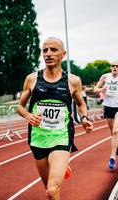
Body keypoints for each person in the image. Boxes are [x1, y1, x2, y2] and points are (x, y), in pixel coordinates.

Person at [17, 37, 93, 200]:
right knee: (51, 192)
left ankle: (61, 162)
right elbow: (20, 107)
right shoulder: (32, 79)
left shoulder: (72, 81)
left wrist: (84, 118)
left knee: (51, 189)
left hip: (61, 137)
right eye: (45, 50)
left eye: (53, 50)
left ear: (63, 54)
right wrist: (28, 116)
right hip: (38, 138)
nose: (48, 54)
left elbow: (81, 104)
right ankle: (61, 168)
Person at [94, 60, 118, 170]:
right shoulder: (105, 77)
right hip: (108, 106)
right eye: (113, 66)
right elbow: (95, 89)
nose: (115, 67)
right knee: (112, 131)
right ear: (110, 68)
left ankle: (112, 157)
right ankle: (116, 147)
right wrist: (101, 89)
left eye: (117, 66)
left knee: (115, 131)